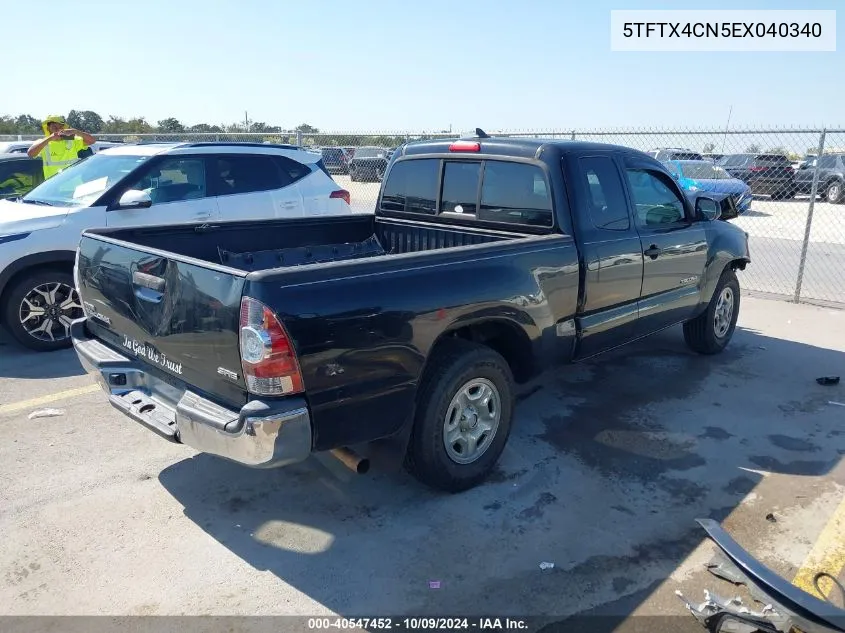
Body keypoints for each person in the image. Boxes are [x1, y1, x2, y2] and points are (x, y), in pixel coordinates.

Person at [27, 115, 96, 179]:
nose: (58, 129)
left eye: (60, 127)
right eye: (54, 127)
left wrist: (76, 131)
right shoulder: (43, 142)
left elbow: (92, 141)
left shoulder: (71, 140)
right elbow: (30, 154)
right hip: (53, 186)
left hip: (73, 184)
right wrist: (49, 139)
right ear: (48, 128)